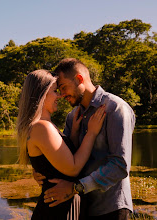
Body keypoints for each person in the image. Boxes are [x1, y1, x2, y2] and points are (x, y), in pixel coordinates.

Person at [34, 58, 136, 219]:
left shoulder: (115, 108)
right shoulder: (72, 117)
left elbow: (120, 165)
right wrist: (40, 169)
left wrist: (77, 187)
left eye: (63, 87)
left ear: (79, 79)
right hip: (81, 208)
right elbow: (66, 159)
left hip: (111, 207)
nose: (61, 95)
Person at [17, 69, 106, 219]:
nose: (60, 95)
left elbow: (57, 161)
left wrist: (74, 135)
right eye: (54, 91)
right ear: (41, 95)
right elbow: (72, 169)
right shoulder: (41, 127)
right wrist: (91, 133)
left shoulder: (46, 125)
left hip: (61, 206)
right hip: (55, 211)